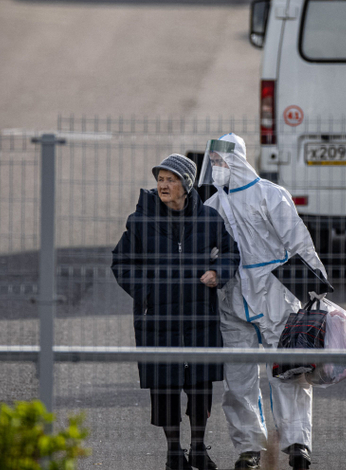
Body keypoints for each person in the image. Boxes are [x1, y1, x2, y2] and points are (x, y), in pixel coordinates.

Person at [198, 134, 329, 470]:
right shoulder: (213, 205)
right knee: (238, 377)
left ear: (238, 160)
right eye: (213, 163)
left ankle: (298, 443)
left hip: (274, 292)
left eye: (222, 162)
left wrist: (316, 281)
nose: (218, 168)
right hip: (232, 295)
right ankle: (249, 448)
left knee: (287, 371)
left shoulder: (269, 195)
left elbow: (297, 238)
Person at [112, 153, 240, 470]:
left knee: (200, 388)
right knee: (165, 388)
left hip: (200, 318)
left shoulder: (209, 220)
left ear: (187, 184)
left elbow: (231, 252)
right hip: (157, 319)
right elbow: (121, 263)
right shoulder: (141, 221)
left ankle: (198, 448)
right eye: (160, 179)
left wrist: (218, 273)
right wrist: (148, 291)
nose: (164, 185)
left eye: (171, 179)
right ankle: (173, 453)